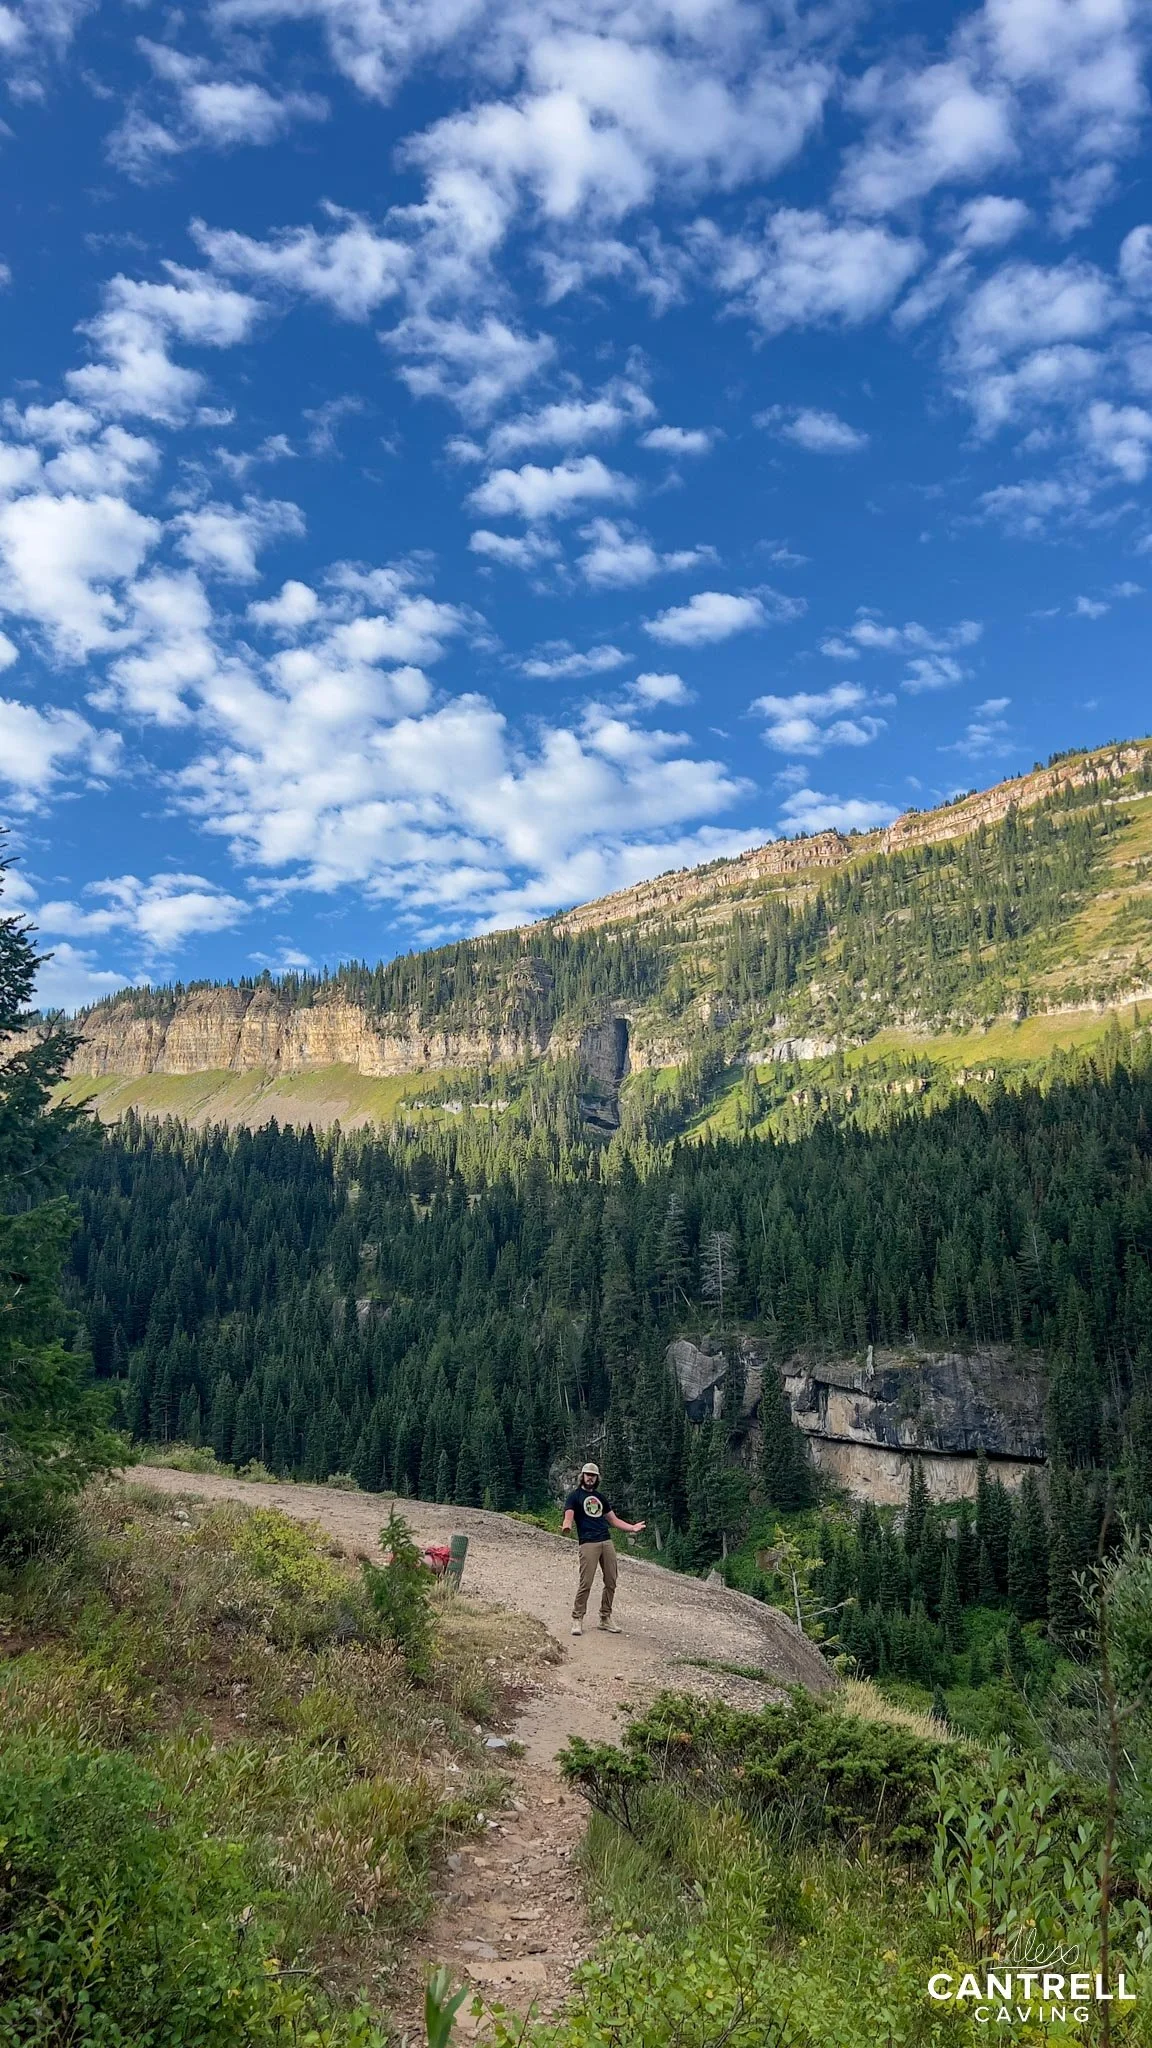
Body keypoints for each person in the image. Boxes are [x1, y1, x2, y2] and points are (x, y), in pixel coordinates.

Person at [562, 1460, 645, 1634]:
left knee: (611, 1580)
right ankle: (577, 1618)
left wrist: (632, 1527)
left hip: (606, 1541)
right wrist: (567, 1525)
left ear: (597, 1478)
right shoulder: (575, 1496)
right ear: (582, 1476)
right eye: (587, 1475)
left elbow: (613, 1520)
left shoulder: (600, 1498)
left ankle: (605, 1617)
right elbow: (569, 1514)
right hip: (588, 1543)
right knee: (586, 1582)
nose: (590, 1478)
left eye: (593, 1475)